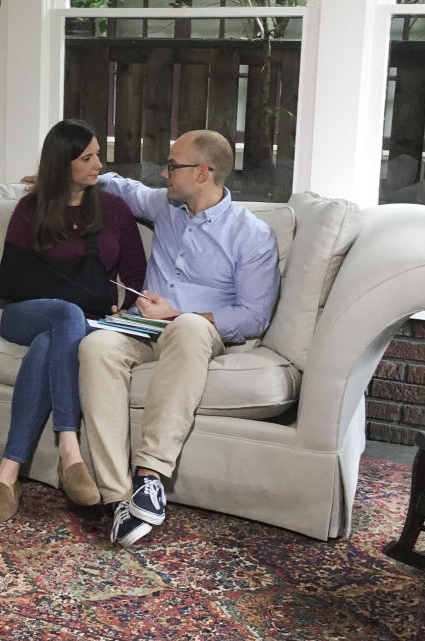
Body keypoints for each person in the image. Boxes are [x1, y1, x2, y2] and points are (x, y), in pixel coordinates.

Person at [78, 129, 280, 547]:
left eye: (172, 166)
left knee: (188, 327)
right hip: (144, 327)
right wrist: (61, 177)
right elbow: (122, 186)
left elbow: (254, 316)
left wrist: (180, 313)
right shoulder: (166, 206)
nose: (164, 173)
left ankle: (150, 475)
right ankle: (117, 498)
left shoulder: (251, 235)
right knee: (94, 344)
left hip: (196, 330)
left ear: (203, 172)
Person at [0, 119, 147, 521]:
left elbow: (136, 274)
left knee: (53, 341)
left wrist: (126, 311)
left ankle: (7, 474)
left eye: (97, 154)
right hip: (24, 313)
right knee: (64, 312)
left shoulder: (113, 209)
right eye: (87, 157)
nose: (98, 164)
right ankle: (69, 449)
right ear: (64, 163)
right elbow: (14, 281)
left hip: (85, 324)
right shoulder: (31, 208)